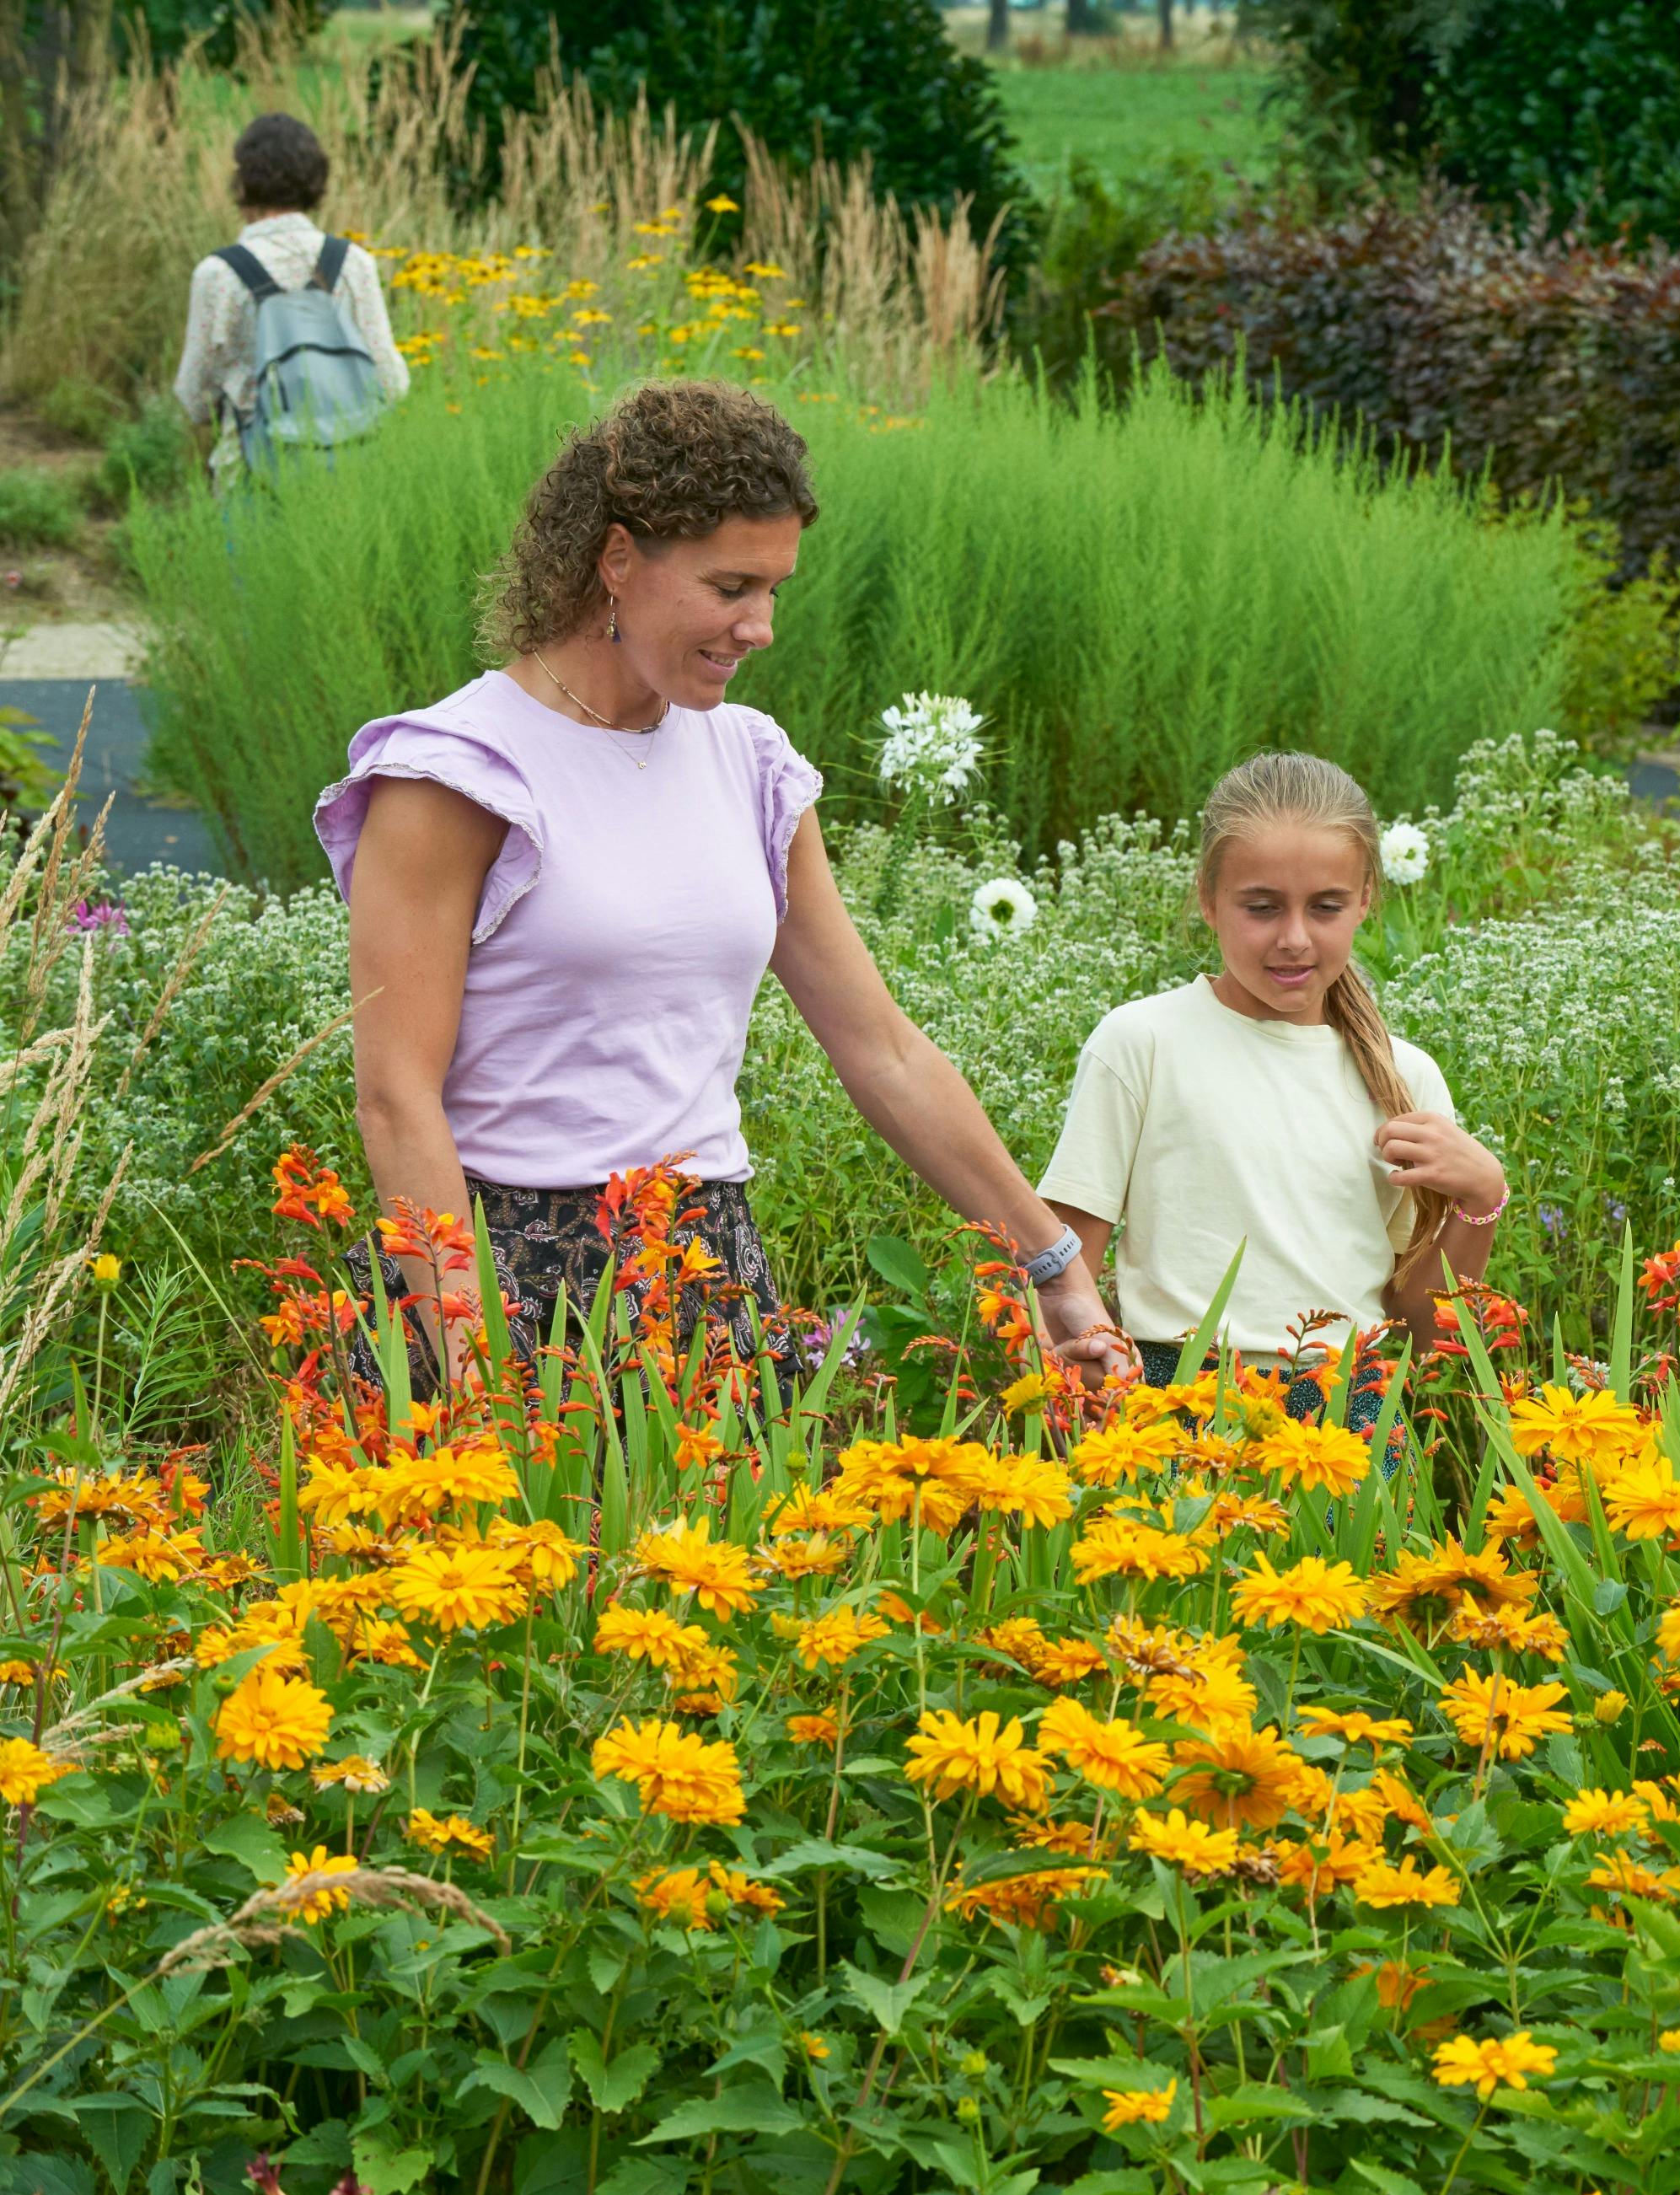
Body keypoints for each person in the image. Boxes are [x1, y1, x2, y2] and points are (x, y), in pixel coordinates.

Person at [320, 378, 1123, 1380]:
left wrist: (1052, 1266)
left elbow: (883, 1051)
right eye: (731, 587)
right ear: (617, 558)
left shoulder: (752, 765)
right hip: (500, 1275)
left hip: (707, 1278)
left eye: (774, 590)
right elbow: (396, 1098)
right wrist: (471, 1366)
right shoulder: (458, 773)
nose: (761, 626)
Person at [1035, 751, 1509, 1430]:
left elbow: (1426, 1334)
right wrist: (1086, 1385)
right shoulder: (1142, 1043)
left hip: (1350, 1416)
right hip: (1176, 1402)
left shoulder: (1406, 1078)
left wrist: (1482, 1198)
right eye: (1261, 908)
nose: (1293, 939)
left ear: (1366, 899)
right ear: (1208, 898)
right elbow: (1059, 1267)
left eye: (1326, 907)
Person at [172, 113, 408, 480]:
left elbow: (194, 398)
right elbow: (391, 383)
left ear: (242, 184)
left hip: (252, 474)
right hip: (349, 470)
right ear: (315, 180)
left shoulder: (217, 274)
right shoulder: (353, 264)